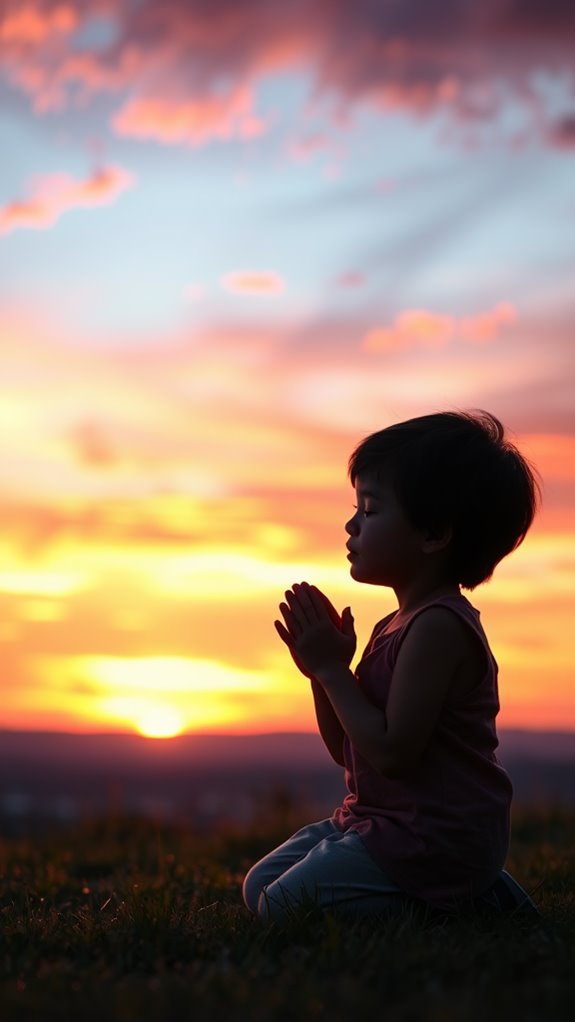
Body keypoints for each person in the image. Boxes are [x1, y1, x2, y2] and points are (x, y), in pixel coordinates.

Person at [242, 410, 541, 924]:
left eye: (371, 509)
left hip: (434, 838)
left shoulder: (438, 629)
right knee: (260, 888)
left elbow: (395, 754)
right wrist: (322, 672)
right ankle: (459, 894)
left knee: (282, 907)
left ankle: (473, 899)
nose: (351, 524)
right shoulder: (394, 625)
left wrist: (335, 672)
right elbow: (348, 749)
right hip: (380, 824)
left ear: (433, 534)